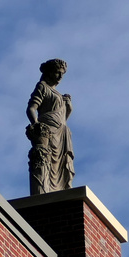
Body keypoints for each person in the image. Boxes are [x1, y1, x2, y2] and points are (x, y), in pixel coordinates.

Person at [26, 59, 74, 195]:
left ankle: (62, 188)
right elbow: (31, 108)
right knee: (46, 161)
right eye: (57, 73)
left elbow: (62, 118)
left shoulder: (60, 94)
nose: (60, 77)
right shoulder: (42, 87)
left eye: (62, 74)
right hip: (48, 131)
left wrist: (68, 106)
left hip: (62, 133)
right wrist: (36, 124)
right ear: (50, 72)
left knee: (62, 165)